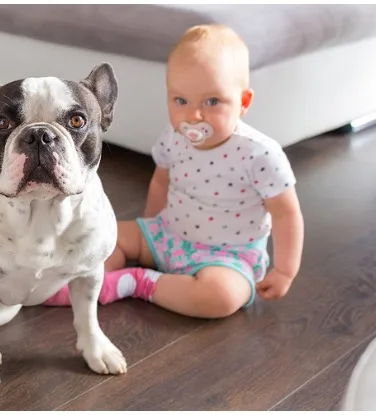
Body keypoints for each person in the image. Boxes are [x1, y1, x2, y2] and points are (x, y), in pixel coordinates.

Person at [44, 24, 304, 318]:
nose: (193, 115)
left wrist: (284, 270)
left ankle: (137, 283)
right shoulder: (174, 136)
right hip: (167, 233)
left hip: (225, 257)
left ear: (243, 102)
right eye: (181, 101)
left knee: (221, 297)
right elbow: (160, 181)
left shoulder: (261, 154)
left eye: (212, 101)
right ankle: (75, 280)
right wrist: (149, 230)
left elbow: (286, 213)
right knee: (102, 234)